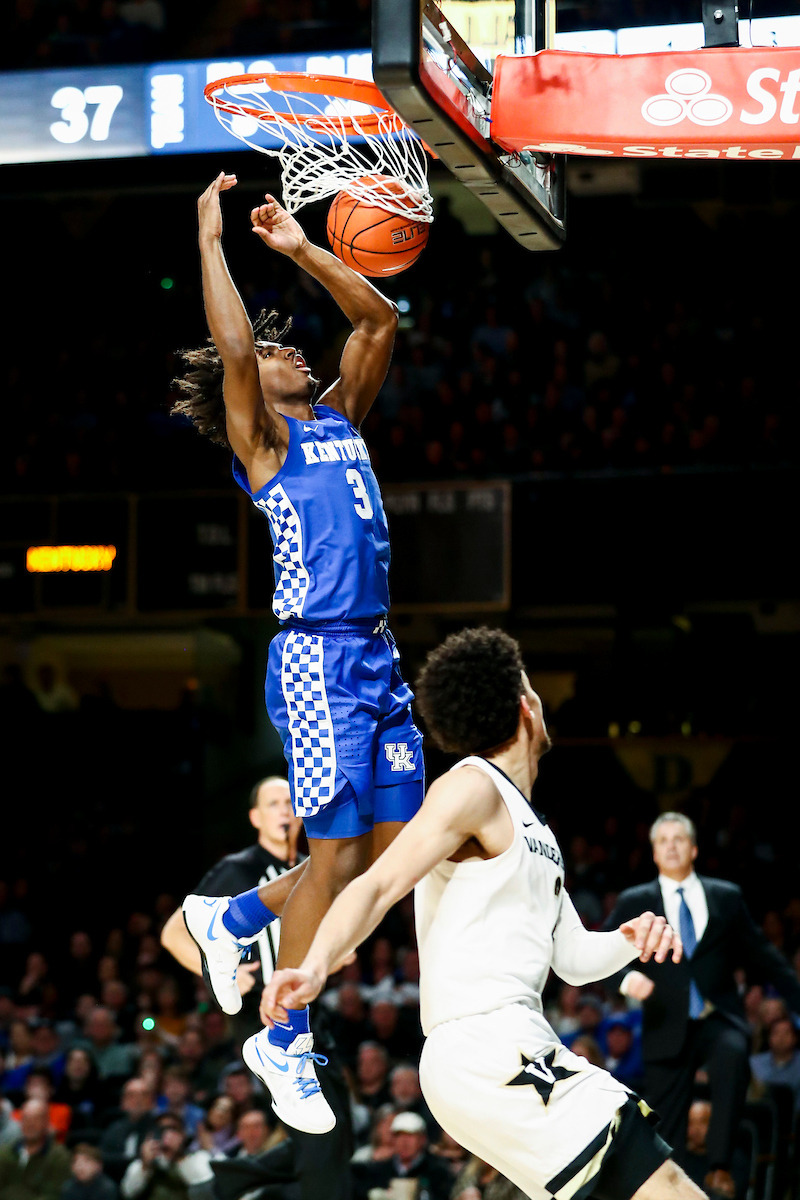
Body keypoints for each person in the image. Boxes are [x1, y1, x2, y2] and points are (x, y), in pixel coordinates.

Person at [262, 627, 701, 1200]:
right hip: (484, 1043)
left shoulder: (533, 829)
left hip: (509, 1041)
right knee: (659, 1177)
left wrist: (626, 938)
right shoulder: (472, 786)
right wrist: (316, 966)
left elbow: (570, 959)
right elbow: (379, 883)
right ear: (525, 708)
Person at [175, 177, 423, 1134]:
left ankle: (232, 920)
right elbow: (234, 347)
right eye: (272, 352)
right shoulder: (264, 439)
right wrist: (213, 238)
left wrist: (301, 250)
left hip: (376, 654)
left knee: (383, 858)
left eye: (288, 346)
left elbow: (377, 322)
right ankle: (283, 1038)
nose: (285, 351)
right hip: (318, 660)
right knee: (330, 856)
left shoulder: (340, 417)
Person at [161, 776, 353, 1200]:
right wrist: (221, 972)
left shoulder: (310, 866)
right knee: (322, 1140)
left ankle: (221, 1185)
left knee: (338, 1135)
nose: (284, 810)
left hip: (309, 1008)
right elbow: (175, 932)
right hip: (263, 1013)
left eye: (290, 801)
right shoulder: (239, 868)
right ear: (255, 817)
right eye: (273, 803)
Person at [604, 812, 800, 1199]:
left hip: (717, 1016)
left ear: (693, 849)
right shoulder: (636, 900)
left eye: (680, 839)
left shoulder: (725, 896)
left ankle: (720, 1166)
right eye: (664, 841)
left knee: (732, 1050)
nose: (672, 845)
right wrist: (627, 979)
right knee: (667, 1128)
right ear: (654, 853)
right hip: (664, 1023)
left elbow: (764, 956)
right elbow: (594, 958)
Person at [352, 1112, 452, 1200]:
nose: (404, 1142)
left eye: (410, 1136)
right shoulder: (378, 1171)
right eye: (399, 1136)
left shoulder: (436, 1172)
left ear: (422, 1139)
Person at [0, 1098, 72, 1200]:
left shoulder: (59, 1156)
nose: (30, 1124)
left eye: (36, 1119)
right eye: (26, 1119)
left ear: (46, 1122)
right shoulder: (5, 1153)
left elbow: (54, 1194)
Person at [99, 1079, 157, 1182]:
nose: (137, 1100)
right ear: (123, 1101)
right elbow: (103, 1158)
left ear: (151, 1101)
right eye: (131, 1095)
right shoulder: (114, 1129)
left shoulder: (158, 1128)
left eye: (143, 1095)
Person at [750, 1015, 800, 1113]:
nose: (781, 1038)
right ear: (769, 1038)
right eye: (776, 1033)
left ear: (795, 1038)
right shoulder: (755, 1063)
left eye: (786, 1033)